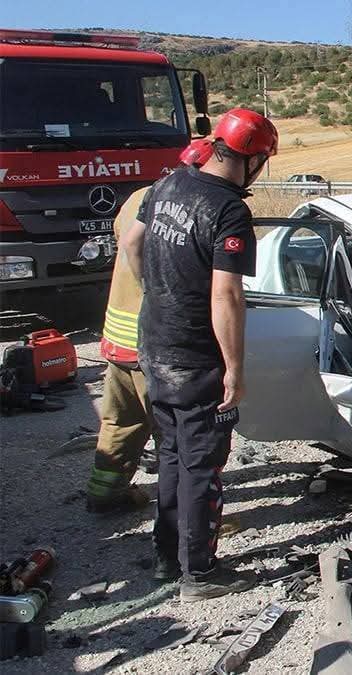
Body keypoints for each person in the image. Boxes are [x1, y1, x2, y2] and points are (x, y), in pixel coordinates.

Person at [122, 108, 276, 601]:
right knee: (202, 465)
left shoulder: (167, 184)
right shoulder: (228, 210)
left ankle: (167, 558)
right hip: (194, 356)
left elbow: (131, 242)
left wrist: (158, 292)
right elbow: (226, 295)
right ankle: (201, 575)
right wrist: (234, 368)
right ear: (253, 160)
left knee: (172, 454)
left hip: (155, 344)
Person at [86, 140, 215, 514]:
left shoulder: (139, 198)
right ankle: (184, 517)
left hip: (119, 337)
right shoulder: (198, 206)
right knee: (174, 432)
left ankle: (104, 493)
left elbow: (125, 242)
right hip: (155, 341)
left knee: (120, 421)